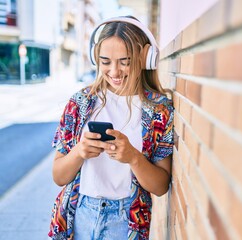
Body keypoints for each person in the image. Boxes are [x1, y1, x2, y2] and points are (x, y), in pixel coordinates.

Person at [48, 16, 174, 240]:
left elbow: (161, 186)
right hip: (80, 216)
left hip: (125, 221)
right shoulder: (80, 104)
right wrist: (79, 151)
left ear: (146, 57)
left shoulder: (159, 111)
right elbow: (59, 176)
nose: (114, 72)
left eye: (124, 61)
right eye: (105, 62)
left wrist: (134, 157)